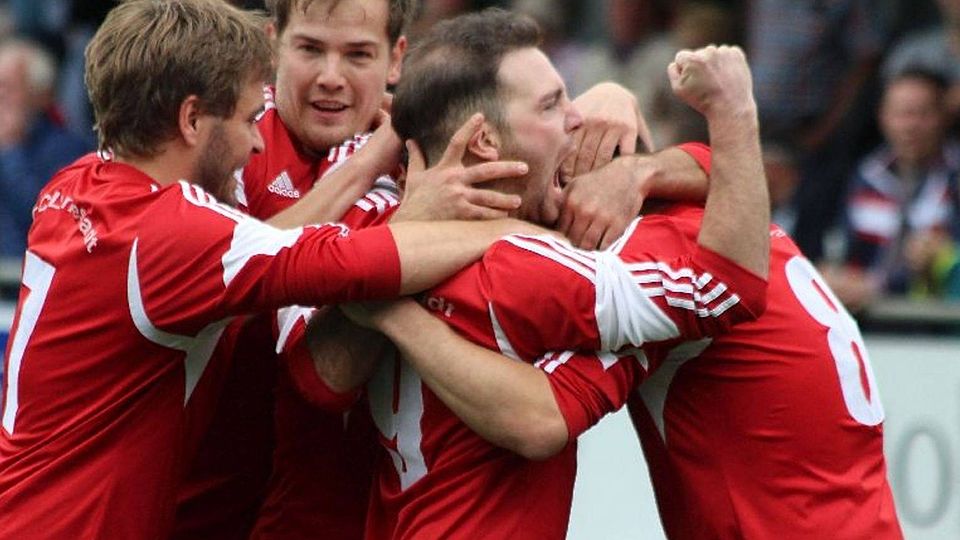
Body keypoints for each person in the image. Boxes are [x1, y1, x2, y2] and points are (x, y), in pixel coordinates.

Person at [340, 10, 902, 540]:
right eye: (554, 104)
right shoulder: (709, 217)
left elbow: (542, 417)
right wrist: (702, 127)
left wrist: (380, 300)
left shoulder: (624, 252)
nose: (581, 117)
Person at [0, 1, 541, 537]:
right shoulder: (169, 232)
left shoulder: (78, 181)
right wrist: (501, 229)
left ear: (395, 57)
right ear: (191, 119)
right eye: (246, 118)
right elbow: (328, 263)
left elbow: (270, 241)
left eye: (357, 54)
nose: (256, 137)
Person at [173, 0, 658, 538]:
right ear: (274, 44)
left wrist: (622, 113)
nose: (330, 78)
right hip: (204, 485)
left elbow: (721, 238)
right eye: (310, 49)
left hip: (348, 506)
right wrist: (402, 211)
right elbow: (253, 283)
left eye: (358, 55)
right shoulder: (229, 136)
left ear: (395, 59)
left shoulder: (431, 170)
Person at [825, 68, 960, 310]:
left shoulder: (955, 175)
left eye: (922, 114)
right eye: (901, 114)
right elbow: (842, 249)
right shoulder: (865, 175)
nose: (911, 126)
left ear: (944, 117)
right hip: (868, 321)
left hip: (938, 327)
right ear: (882, 116)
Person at [0, 38, 90, 258]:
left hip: (22, 281)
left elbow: (45, 219)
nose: (1, 96)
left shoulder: (66, 149)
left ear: (40, 96)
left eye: (9, 87)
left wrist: (11, 150)